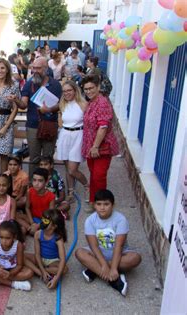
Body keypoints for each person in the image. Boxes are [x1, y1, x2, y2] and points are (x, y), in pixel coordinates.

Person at [75, 189, 142, 296]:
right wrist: (103, 265)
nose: (102, 207)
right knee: (79, 253)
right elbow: (94, 246)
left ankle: (94, 270)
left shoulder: (121, 219)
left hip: (119, 254)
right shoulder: (90, 220)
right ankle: (114, 281)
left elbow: (119, 246)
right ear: (94, 205)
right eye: (99, 204)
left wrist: (113, 268)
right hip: (98, 254)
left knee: (135, 258)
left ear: (113, 205)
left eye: (106, 204)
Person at [81, 75, 119, 208]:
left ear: (98, 87)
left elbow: (103, 127)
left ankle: (102, 205)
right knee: (93, 175)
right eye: (86, 89)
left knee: (99, 177)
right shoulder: (91, 102)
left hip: (101, 147)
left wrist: (95, 146)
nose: (88, 91)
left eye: (91, 88)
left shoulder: (102, 103)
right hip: (91, 146)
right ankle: (93, 201)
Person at [20, 57, 62, 176]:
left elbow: (61, 104)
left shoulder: (55, 85)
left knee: (48, 158)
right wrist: (16, 101)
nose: (35, 71)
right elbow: (23, 104)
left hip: (49, 124)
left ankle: (48, 186)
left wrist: (49, 109)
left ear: (46, 68)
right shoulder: (29, 84)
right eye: (33, 68)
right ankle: (33, 187)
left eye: (38, 68)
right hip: (33, 126)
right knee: (34, 159)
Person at [56, 80, 89, 202]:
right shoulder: (62, 104)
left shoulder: (83, 104)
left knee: (72, 169)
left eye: (69, 90)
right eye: (64, 91)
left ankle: (87, 186)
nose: (67, 93)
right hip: (65, 135)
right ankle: (70, 193)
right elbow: (61, 123)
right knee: (67, 168)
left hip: (78, 135)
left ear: (75, 90)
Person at [0, 220, 33, 291]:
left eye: (7, 238)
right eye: (1, 237)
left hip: (13, 269)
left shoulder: (18, 245)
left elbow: (19, 265)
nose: (4, 241)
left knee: (29, 272)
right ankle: (14, 284)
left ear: (14, 237)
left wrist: (10, 273)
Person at [24, 209, 67, 289]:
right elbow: (37, 254)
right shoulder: (38, 234)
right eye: (42, 219)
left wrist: (56, 279)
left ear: (54, 226)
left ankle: (41, 271)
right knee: (21, 256)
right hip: (40, 258)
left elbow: (62, 259)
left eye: (46, 221)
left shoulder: (58, 238)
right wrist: (43, 271)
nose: (42, 222)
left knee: (64, 269)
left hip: (53, 261)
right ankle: (41, 273)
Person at [17, 168, 55, 235]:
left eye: (40, 181)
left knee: (51, 226)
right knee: (15, 215)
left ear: (46, 182)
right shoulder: (30, 191)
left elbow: (51, 215)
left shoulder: (51, 196)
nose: (36, 183)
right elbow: (27, 208)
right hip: (32, 218)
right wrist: (32, 223)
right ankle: (29, 228)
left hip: (44, 220)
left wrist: (38, 225)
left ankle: (32, 230)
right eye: (34, 180)